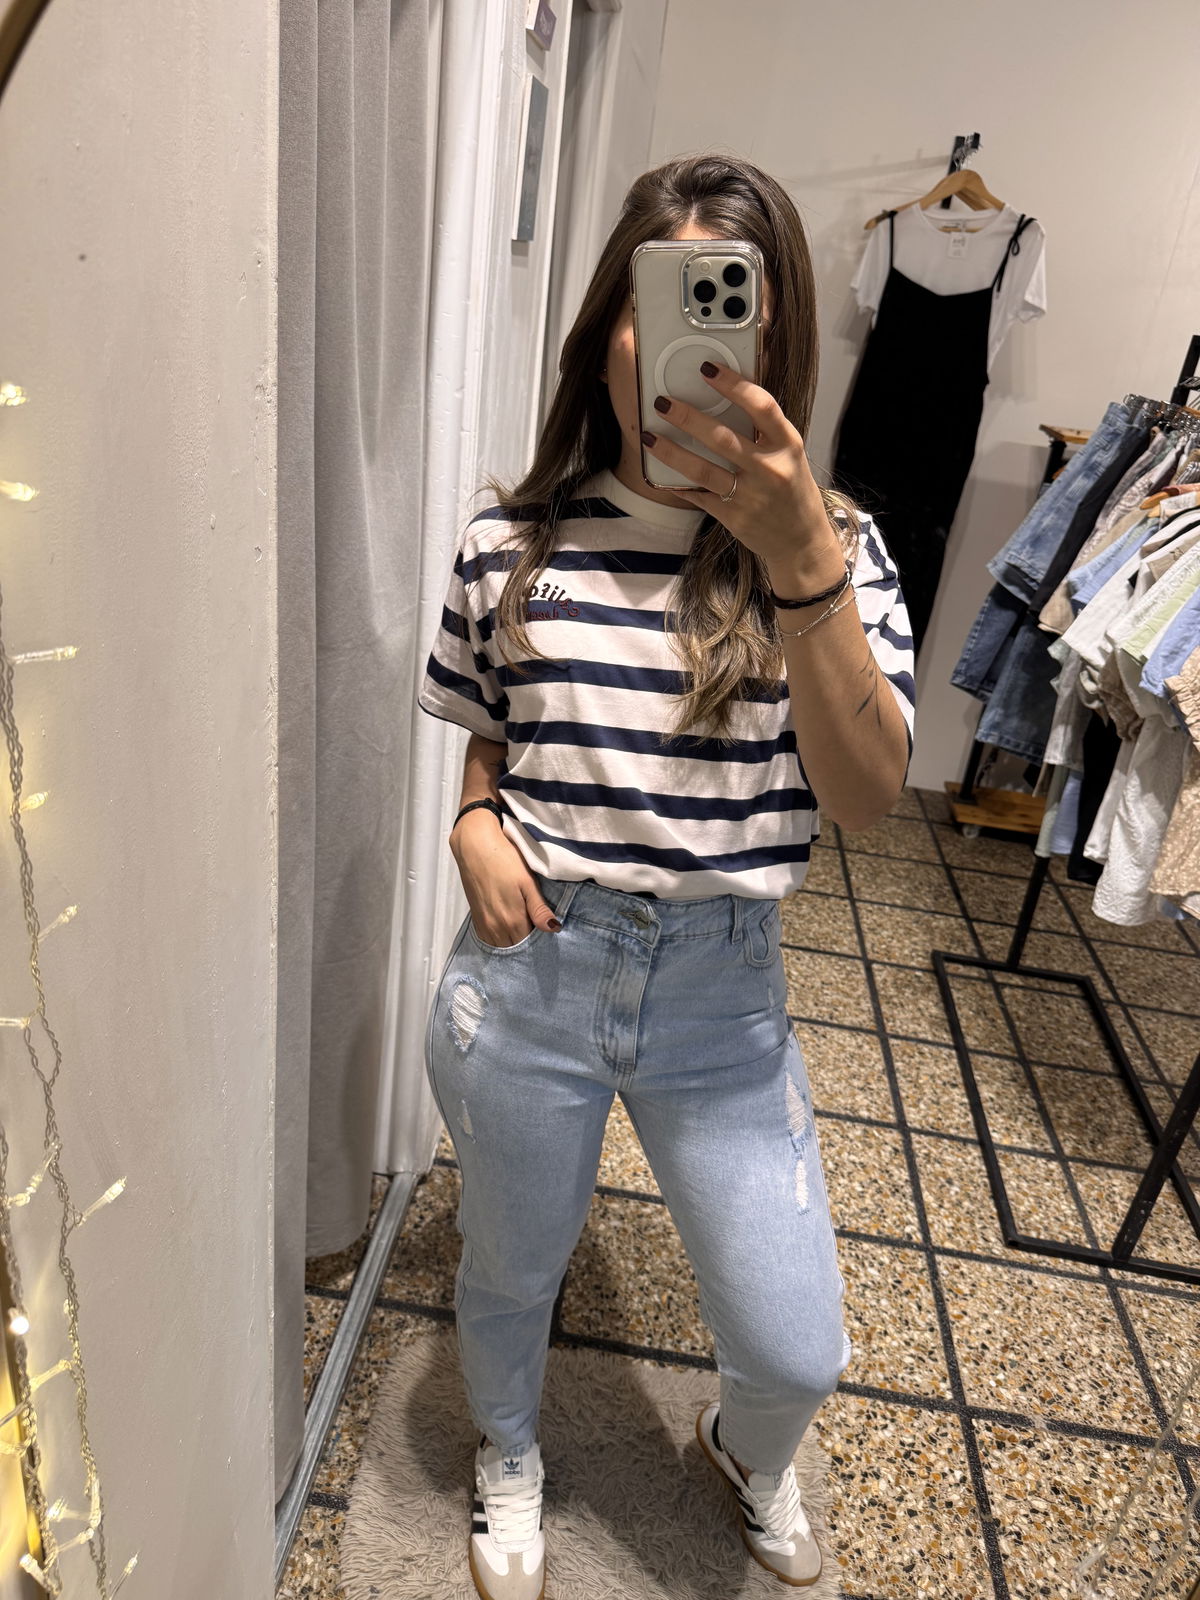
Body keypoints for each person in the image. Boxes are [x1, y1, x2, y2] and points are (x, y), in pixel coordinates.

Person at [417, 152, 915, 1598]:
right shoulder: (510, 547)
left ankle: (747, 1446)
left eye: (730, 311)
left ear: (773, 345)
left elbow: (868, 797)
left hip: (720, 997)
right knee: (512, 1265)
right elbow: (497, 736)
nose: (692, 349)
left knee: (795, 1343)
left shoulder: (838, 555)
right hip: (534, 974)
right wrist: (472, 825)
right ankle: (510, 1444)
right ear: (608, 333)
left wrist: (801, 559)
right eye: (662, 303)